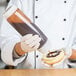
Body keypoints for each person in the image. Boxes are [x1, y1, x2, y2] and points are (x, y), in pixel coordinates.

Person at [0, 0, 76, 69]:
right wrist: (21, 48)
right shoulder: (21, 1)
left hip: (64, 72)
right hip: (27, 72)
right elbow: (6, 46)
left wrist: (69, 52)